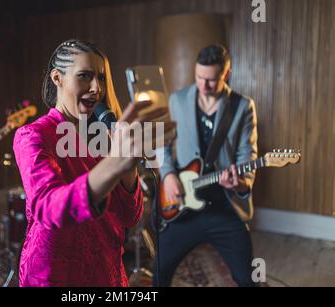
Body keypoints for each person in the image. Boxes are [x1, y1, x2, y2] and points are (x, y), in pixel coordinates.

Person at [13, 39, 175, 287]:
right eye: (84, 76)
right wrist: (114, 163)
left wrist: (128, 163)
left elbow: (130, 217)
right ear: (58, 78)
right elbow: (49, 207)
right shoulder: (33, 135)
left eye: (100, 78)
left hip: (106, 272)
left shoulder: (105, 137)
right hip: (56, 275)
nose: (96, 88)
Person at [154, 45, 259, 287]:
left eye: (212, 80)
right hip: (183, 206)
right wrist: (168, 175)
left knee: (248, 279)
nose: (204, 85)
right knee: (160, 273)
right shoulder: (177, 100)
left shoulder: (242, 106)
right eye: (199, 77)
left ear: (227, 74)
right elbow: (163, 143)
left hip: (224, 206)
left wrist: (241, 182)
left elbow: (247, 154)